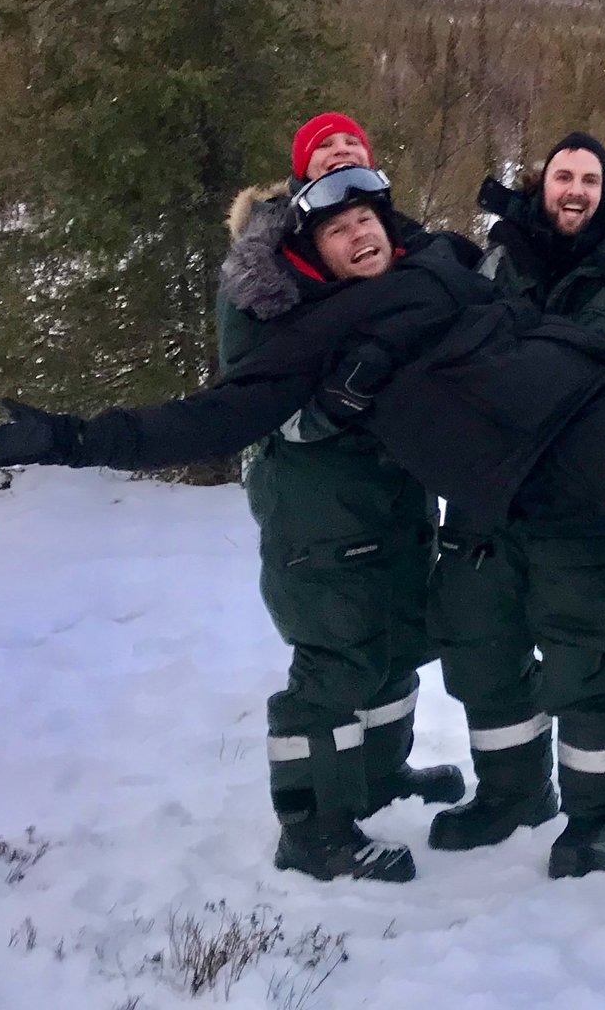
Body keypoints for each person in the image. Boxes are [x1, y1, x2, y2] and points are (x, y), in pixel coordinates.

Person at [0, 170, 605, 883]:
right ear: (314, 255)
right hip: (546, 470)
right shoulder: (319, 338)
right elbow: (207, 419)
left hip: (599, 380)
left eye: (370, 216)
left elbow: (536, 253)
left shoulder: (442, 262)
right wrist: (68, 439)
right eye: (339, 228)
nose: (362, 231)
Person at [220, 113, 463, 882]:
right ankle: (313, 827)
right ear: (300, 173)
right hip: (317, 500)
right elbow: (248, 394)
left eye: (351, 147)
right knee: (335, 657)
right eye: (323, 150)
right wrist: (325, 411)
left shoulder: (390, 245)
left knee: (394, 644)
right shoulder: (264, 269)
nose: (339, 154)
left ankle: (377, 777)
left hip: (395, 492)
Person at [430, 134, 605, 879]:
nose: (574, 190)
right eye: (562, 176)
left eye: (589, 180)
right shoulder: (497, 265)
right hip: (486, 505)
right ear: (541, 187)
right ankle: (512, 792)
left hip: (583, 514)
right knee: (482, 652)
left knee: (583, 666)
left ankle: (597, 815)